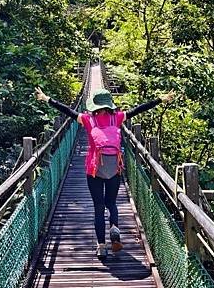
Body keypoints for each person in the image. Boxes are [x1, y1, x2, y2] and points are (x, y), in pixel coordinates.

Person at [35, 85, 174, 259]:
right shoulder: (117, 117)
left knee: (98, 208)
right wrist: (161, 99)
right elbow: (139, 109)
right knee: (112, 203)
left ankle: (101, 246)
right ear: (109, 104)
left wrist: (46, 98)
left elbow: (67, 110)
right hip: (114, 167)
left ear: (94, 105)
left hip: (94, 169)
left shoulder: (87, 119)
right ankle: (114, 227)